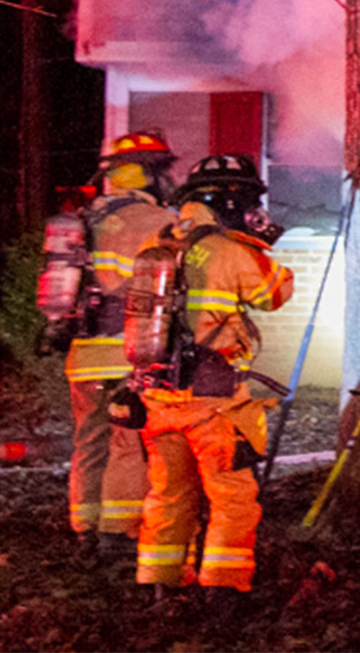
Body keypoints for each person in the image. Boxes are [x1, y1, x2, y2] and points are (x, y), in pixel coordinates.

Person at [132, 154, 293, 604]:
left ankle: (160, 584)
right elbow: (275, 293)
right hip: (213, 401)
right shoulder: (229, 250)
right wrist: (258, 242)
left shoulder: (155, 245)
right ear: (232, 202)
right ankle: (223, 589)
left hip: (158, 397)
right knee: (231, 494)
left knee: (168, 493)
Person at [44, 133, 176, 563]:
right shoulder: (153, 221)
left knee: (89, 441)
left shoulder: (84, 219)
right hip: (127, 350)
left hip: (82, 353)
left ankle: (84, 527)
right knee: (127, 440)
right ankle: (117, 532)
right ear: (148, 172)